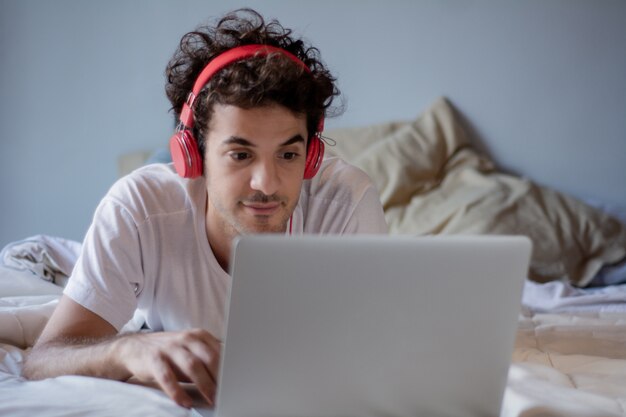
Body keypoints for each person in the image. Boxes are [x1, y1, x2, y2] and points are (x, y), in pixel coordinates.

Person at [23, 8, 387, 409]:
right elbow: (42, 359)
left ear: (312, 157)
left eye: (287, 154)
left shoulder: (347, 202)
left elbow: (378, 365)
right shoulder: (138, 207)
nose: (266, 183)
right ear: (193, 155)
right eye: (240, 154)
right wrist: (125, 350)